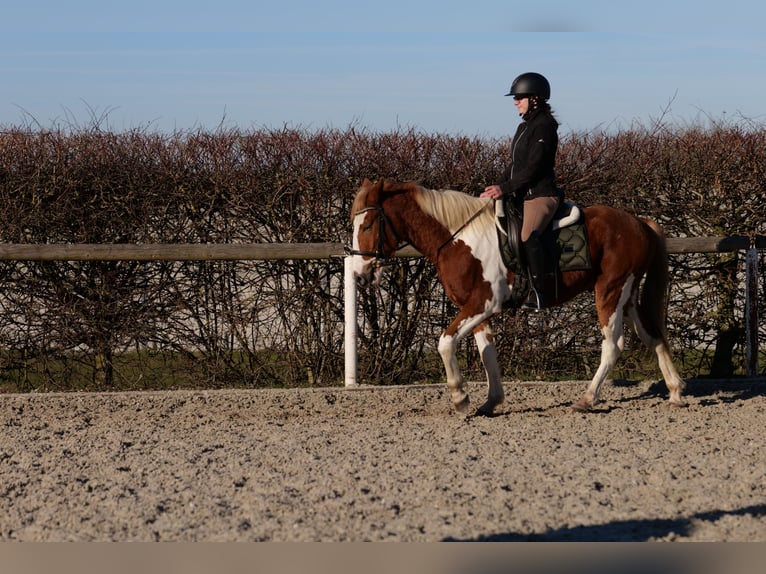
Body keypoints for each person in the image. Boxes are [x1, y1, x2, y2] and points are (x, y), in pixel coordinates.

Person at [480, 72, 563, 311]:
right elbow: (515, 165)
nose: (515, 101)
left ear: (535, 99)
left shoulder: (544, 127)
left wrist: (505, 188)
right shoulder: (524, 127)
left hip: (541, 195)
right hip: (520, 194)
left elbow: (534, 167)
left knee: (527, 235)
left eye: (520, 97)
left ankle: (539, 293)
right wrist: (495, 187)